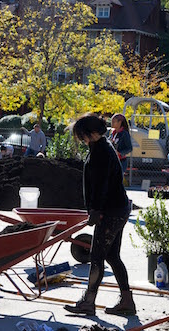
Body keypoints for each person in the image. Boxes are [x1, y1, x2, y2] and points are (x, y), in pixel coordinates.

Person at [64, 114, 136, 317]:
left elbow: (101, 185)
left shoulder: (101, 152)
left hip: (111, 211)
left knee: (97, 257)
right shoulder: (100, 148)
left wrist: (96, 211)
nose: (82, 140)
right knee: (112, 256)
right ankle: (127, 301)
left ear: (93, 133)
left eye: (83, 136)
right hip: (117, 208)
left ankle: (88, 301)